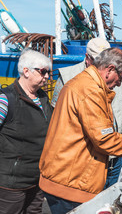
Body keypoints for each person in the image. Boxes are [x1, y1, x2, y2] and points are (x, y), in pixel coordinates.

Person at [39, 48, 122, 214]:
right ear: (110, 69)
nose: (120, 84)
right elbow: (104, 138)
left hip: (64, 176)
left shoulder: (83, 83)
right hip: (71, 183)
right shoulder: (90, 90)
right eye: (120, 78)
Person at [51, 38, 122, 189]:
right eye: (96, 61)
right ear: (87, 57)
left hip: (114, 157)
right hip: (82, 161)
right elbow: (57, 119)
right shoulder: (69, 77)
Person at [0, 49, 53, 213]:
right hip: (12, 184)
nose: (47, 77)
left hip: (37, 179)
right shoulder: (6, 99)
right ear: (26, 71)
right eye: (43, 72)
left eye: (48, 72)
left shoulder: (42, 97)